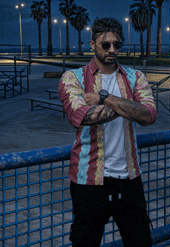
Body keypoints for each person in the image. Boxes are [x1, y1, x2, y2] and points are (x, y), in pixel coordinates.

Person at [58, 17, 157, 247]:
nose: (112, 50)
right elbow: (83, 116)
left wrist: (105, 98)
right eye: (106, 45)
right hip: (88, 181)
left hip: (129, 179)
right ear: (92, 44)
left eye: (117, 44)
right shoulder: (73, 78)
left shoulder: (135, 77)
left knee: (141, 242)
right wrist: (129, 106)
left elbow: (149, 115)